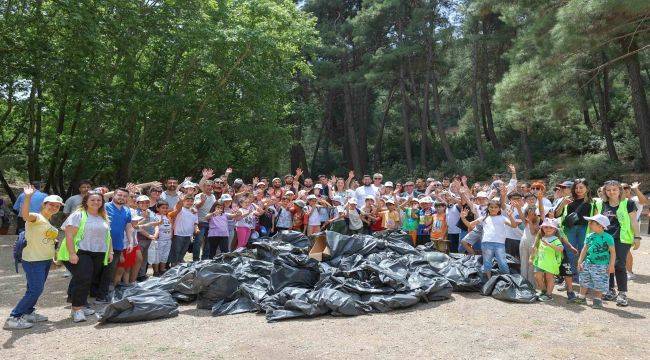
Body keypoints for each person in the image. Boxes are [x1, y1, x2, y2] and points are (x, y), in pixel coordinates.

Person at [4, 186, 62, 330]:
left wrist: (53, 259)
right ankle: (14, 317)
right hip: (33, 260)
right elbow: (25, 215)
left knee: (34, 288)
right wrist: (28, 197)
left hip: (45, 260)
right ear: (44, 205)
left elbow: (48, 243)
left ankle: (28, 312)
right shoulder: (36, 217)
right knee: (35, 290)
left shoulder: (48, 222)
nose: (54, 207)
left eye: (57, 206)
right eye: (51, 205)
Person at [59, 191, 112, 322]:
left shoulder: (103, 216)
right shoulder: (78, 215)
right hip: (81, 251)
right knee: (83, 278)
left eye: (99, 200)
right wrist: (72, 253)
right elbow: (69, 235)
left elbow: (108, 236)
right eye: (93, 200)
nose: (96, 202)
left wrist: (110, 251)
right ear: (86, 201)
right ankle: (77, 309)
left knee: (89, 279)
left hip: (99, 252)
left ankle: (79, 304)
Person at [598, 180, 641, 306]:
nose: (612, 192)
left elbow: (633, 221)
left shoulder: (628, 203)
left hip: (622, 238)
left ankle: (622, 293)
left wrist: (637, 237)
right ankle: (610, 290)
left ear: (620, 190)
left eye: (614, 189)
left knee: (618, 264)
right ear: (605, 191)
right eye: (608, 190)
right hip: (605, 237)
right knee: (607, 263)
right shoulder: (602, 204)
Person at [95, 188, 134, 303]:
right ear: (114, 195)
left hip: (117, 245)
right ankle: (91, 293)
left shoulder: (127, 210)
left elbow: (128, 227)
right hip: (100, 244)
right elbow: (102, 196)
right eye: (119, 195)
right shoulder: (105, 206)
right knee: (96, 270)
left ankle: (101, 296)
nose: (122, 197)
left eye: (124, 196)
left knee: (109, 271)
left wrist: (131, 241)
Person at [573, 214, 616, 308]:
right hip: (588, 263)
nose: (589, 224)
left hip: (601, 265)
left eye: (592, 222)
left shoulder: (608, 237)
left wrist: (611, 265)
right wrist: (580, 261)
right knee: (584, 280)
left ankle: (597, 300)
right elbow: (584, 249)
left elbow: (612, 252)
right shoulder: (589, 236)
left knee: (599, 282)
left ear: (600, 225)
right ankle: (581, 297)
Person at [471, 200, 518, 278]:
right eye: (491, 207)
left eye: (496, 207)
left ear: (499, 209)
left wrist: (510, 216)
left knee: (502, 263)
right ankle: (488, 281)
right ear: (488, 208)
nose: (493, 209)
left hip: (500, 244)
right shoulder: (484, 218)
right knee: (487, 263)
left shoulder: (503, 218)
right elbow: (470, 224)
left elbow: (514, 225)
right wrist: (463, 218)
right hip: (486, 243)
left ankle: (507, 280)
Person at [531, 218, 564, 302]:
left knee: (550, 278)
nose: (548, 229)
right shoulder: (542, 237)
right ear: (542, 228)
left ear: (555, 229)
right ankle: (543, 290)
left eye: (551, 227)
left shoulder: (555, 239)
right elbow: (537, 249)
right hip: (540, 261)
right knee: (537, 276)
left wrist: (549, 245)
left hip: (550, 263)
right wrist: (532, 257)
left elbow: (561, 249)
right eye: (546, 227)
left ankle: (549, 294)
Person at [168, 194, 199, 265]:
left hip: (188, 235)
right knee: (176, 251)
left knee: (183, 251)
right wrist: (181, 200)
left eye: (191, 201)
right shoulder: (180, 209)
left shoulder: (194, 211)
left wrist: (196, 229)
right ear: (184, 201)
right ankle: (173, 265)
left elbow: (195, 223)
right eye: (187, 201)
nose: (189, 203)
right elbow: (178, 206)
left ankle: (178, 264)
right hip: (178, 234)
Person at [135, 195, 159, 281]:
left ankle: (142, 275)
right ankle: (136, 276)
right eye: (142, 202)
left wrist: (156, 233)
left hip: (150, 239)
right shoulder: (135, 213)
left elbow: (156, 224)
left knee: (145, 258)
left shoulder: (151, 212)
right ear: (137, 204)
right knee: (138, 259)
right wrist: (149, 235)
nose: (145, 204)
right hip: (139, 239)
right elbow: (137, 227)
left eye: (147, 202)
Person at [194, 180, 216, 260]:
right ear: (203, 187)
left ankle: (205, 259)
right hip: (200, 222)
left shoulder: (213, 196)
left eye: (211, 186)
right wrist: (202, 201)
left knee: (208, 243)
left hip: (210, 223)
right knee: (198, 242)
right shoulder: (199, 195)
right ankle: (195, 260)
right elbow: (196, 207)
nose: (210, 187)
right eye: (208, 185)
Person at [149, 201, 172, 276]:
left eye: (166, 208)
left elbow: (170, 227)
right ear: (157, 208)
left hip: (168, 240)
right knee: (157, 256)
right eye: (163, 208)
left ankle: (162, 270)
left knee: (165, 255)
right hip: (159, 240)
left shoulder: (168, 216)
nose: (165, 209)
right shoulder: (155, 216)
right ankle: (156, 271)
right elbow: (154, 227)